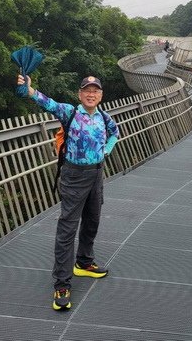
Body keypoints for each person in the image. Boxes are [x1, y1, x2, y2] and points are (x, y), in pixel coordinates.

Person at [17, 73, 119, 311]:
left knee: (92, 220)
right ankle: (62, 283)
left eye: (95, 91)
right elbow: (47, 102)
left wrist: (107, 151)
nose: (91, 94)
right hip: (74, 175)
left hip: (96, 173)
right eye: (87, 90)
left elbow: (115, 133)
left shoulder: (104, 117)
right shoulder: (69, 113)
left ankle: (84, 262)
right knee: (67, 228)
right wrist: (30, 90)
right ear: (79, 94)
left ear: (101, 95)